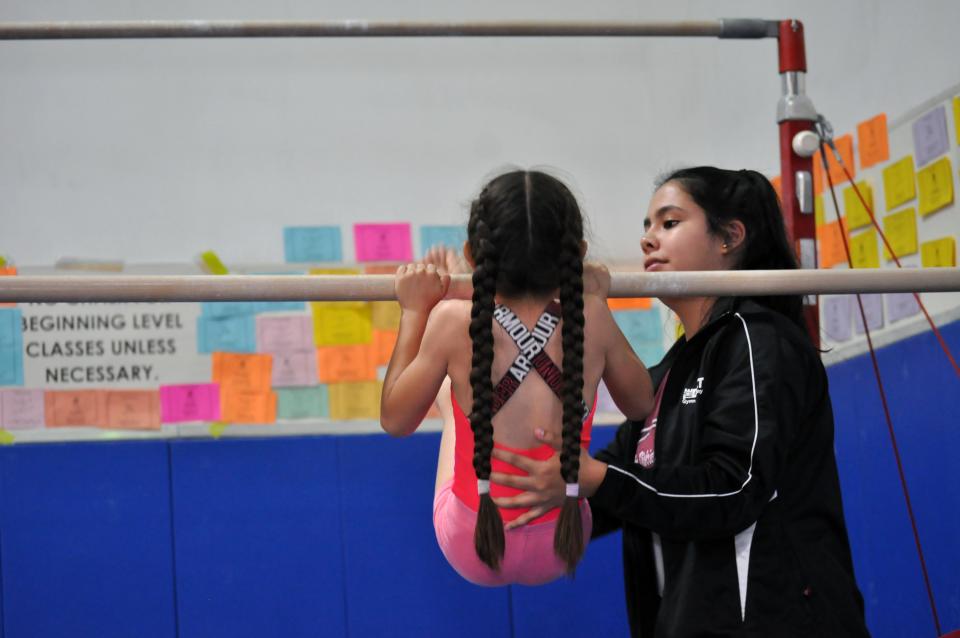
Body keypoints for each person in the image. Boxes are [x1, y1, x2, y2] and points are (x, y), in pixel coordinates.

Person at [490, 167, 870, 636]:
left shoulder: (758, 341)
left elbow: (734, 487)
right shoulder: (667, 372)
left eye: (669, 223)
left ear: (729, 237)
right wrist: (529, 488)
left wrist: (597, 479)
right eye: (646, 227)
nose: (649, 240)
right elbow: (611, 490)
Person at [379, 169, 654, 586]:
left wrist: (415, 311)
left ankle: (466, 311)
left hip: (473, 540)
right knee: (469, 380)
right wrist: (597, 301)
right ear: (576, 254)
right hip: (564, 540)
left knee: (456, 398)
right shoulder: (592, 316)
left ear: (473, 255)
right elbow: (640, 404)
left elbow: (396, 421)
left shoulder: (453, 321)